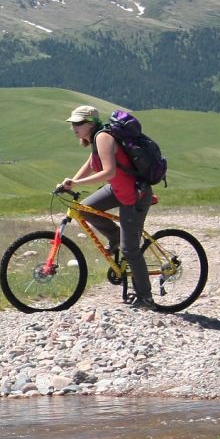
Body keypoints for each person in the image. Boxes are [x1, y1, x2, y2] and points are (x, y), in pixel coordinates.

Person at [58, 104, 157, 310]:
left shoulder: (103, 137)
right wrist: (70, 183)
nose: (74, 127)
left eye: (79, 123)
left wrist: (76, 184)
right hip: (118, 189)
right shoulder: (95, 139)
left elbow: (109, 173)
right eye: (72, 123)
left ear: (91, 123)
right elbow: (90, 163)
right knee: (84, 210)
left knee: (130, 250)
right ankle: (115, 238)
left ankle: (146, 298)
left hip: (133, 195)